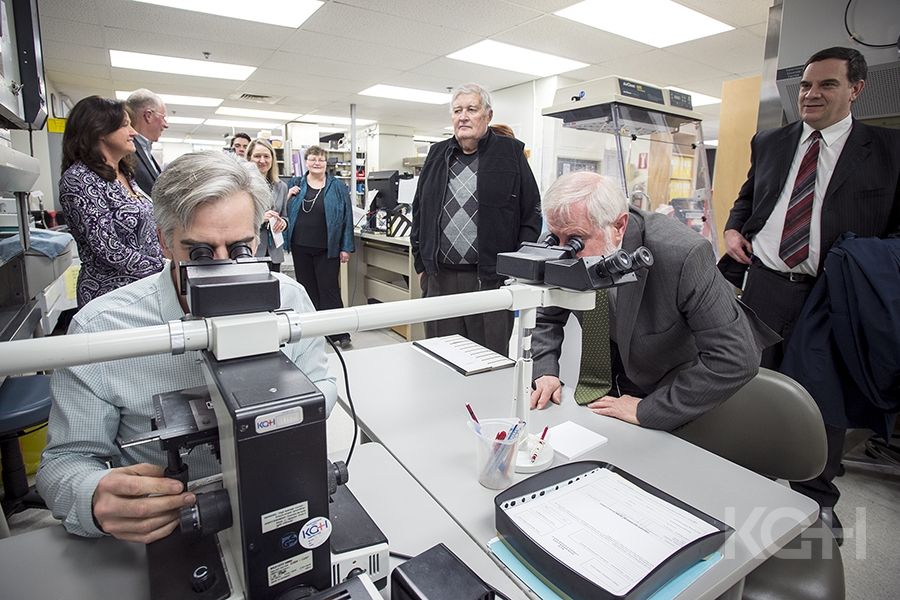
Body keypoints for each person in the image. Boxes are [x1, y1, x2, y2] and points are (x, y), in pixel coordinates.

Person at [37, 151, 337, 543]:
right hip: (168, 526)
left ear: (258, 236)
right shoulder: (102, 328)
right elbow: (65, 462)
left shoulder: (291, 301)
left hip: (274, 500)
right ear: (163, 241)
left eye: (240, 248)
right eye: (199, 253)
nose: (224, 268)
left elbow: (321, 384)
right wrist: (92, 496)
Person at [719, 46, 900, 539]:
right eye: (805, 85)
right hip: (766, 287)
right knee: (749, 386)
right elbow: (748, 198)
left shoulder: (889, 150)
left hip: (832, 294)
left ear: (856, 89)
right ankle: (748, 482)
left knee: (825, 400)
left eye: (827, 85)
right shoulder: (772, 141)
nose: (812, 94)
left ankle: (816, 498)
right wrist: (734, 230)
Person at [530, 171, 778, 431]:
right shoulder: (563, 237)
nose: (563, 251)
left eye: (575, 241)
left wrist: (647, 410)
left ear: (618, 227)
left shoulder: (682, 255)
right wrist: (545, 369)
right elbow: (547, 313)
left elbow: (736, 358)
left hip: (670, 383)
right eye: (555, 238)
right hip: (607, 366)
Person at [411, 83, 541, 355]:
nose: (463, 116)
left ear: (488, 115)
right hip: (439, 278)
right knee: (442, 355)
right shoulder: (437, 155)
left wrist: (517, 267)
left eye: (472, 109)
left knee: (487, 357)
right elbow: (419, 210)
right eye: (457, 110)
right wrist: (421, 261)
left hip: (490, 279)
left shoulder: (511, 153)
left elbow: (531, 213)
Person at [59, 96, 164, 308]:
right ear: (100, 131)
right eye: (125, 125)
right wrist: (165, 267)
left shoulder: (125, 173)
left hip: (143, 288)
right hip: (110, 297)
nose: (133, 132)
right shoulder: (79, 179)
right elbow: (108, 248)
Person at [285, 145, 355, 347]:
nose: (317, 163)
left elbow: (347, 217)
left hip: (328, 247)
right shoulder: (296, 183)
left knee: (329, 290)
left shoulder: (337, 186)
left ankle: (340, 333)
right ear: (306, 162)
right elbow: (283, 211)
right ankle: (315, 331)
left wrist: (346, 246)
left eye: (321, 159)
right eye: (313, 159)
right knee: (307, 291)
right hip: (300, 246)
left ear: (326, 163)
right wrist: (288, 196)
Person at [246, 138, 289, 272]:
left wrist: (283, 223)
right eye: (257, 156)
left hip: (274, 251)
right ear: (249, 158)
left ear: (272, 159)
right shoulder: (242, 186)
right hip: (251, 250)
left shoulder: (281, 187)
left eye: (266, 156)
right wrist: (260, 218)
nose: (262, 160)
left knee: (273, 290)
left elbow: (286, 216)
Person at [124, 89, 168, 194]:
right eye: (163, 117)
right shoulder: (126, 152)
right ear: (148, 115)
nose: (166, 125)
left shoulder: (146, 150)